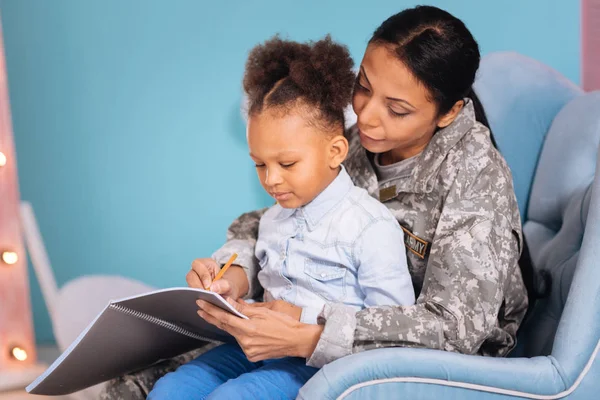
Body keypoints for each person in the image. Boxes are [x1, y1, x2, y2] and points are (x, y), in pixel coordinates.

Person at [100, 5, 531, 399]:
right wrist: (233, 266)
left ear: (449, 112)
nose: (365, 115)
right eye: (363, 86)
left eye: (397, 109)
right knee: (146, 383)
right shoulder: (357, 142)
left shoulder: (476, 176)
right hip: (306, 327)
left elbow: (456, 328)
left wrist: (309, 335)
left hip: (417, 357)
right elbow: (274, 218)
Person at [148, 35, 415, 400]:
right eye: (260, 164)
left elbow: (391, 329)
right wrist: (226, 288)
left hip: (316, 360)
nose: (271, 179)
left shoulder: (371, 226)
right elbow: (257, 279)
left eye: (287, 164)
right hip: (254, 347)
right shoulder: (273, 219)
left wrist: (302, 317)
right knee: (172, 388)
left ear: (336, 151)